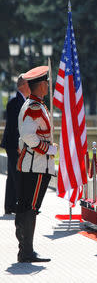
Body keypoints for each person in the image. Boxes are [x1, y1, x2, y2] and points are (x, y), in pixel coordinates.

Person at [15, 66, 56, 263]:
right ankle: (26, 251)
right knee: (30, 207)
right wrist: (48, 149)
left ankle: (25, 249)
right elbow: (28, 136)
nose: (48, 85)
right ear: (40, 85)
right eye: (46, 83)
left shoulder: (37, 105)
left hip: (35, 165)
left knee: (27, 206)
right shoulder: (34, 107)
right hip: (36, 165)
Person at [1, 74, 30, 214]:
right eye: (29, 84)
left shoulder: (23, 100)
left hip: (14, 144)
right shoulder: (15, 102)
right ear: (23, 85)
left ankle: (10, 206)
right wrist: (20, 145)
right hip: (14, 145)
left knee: (13, 176)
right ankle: (20, 205)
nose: (31, 87)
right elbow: (14, 127)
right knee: (17, 175)